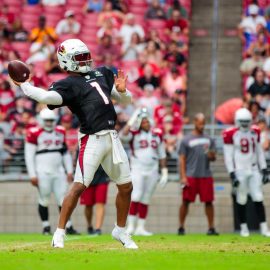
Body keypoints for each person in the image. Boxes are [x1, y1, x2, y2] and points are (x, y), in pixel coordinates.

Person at [12, 38, 138, 249]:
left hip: (112, 137)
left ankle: (121, 230)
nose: (85, 60)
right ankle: (59, 232)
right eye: (79, 57)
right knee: (78, 186)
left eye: (85, 56)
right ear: (66, 61)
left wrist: (123, 91)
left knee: (126, 187)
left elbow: (126, 101)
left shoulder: (103, 72)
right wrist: (25, 86)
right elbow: (47, 96)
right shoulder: (68, 84)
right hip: (92, 139)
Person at [24, 108, 79, 235]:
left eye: (51, 121)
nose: (49, 123)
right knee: (44, 199)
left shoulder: (60, 131)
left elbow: (64, 152)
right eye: (47, 121)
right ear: (41, 120)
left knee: (63, 199)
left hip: (59, 171)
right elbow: (29, 155)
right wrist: (32, 174)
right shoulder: (34, 132)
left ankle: (68, 226)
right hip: (42, 172)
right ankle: (46, 226)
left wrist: (69, 170)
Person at [223, 108, 270, 237]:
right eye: (242, 121)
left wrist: (264, 169)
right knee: (241, 198)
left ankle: (264, 228)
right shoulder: (231, 133)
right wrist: (232, 173)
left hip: (254, 168)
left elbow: (259, 152)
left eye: (246, 121)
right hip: (240, 169)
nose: (244, 124)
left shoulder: (255, 131)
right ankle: (244, 228)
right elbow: (228, 156)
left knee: (258, 197)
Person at [120, 108, 168, 236]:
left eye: (147, 121)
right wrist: (133, 118)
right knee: (136, 195)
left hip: (153, 168)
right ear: (139, 123)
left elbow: (162, 153)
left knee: (146, 198)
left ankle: (140, 227)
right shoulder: (134, 133)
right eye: (143, 122)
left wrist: (164, 171)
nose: (146, 124)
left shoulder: (157, 133)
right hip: (138, 168)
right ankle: (130, 226)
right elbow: (122, 135)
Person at [178, 113, 219, 235]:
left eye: (203, 123)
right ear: (195, 122)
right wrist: (183, 176)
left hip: (205, 174)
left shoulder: (209, 139)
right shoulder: (186, 139)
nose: (202, 125)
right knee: (185, 201)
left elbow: (213, 157)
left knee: (209, 202)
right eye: (200, 123)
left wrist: (211, 155)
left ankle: (211, 228)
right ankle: (181, 227)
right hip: (191, 175)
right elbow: (182, 159)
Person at [80, 165, 109, 235]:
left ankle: (98, 229)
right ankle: (90, 226)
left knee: (100, 202)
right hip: (87, 176)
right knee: (88, 205)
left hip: (102, 176)